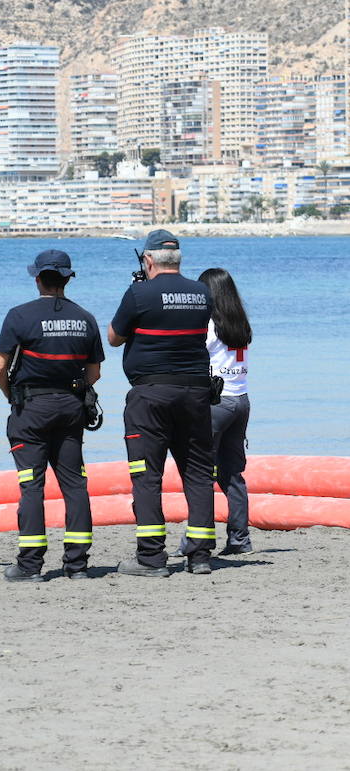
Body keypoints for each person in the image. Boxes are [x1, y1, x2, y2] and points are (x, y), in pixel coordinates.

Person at [0, 250, 104, 582]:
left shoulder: (19, 316)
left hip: (30, 410)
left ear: (37, 278)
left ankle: (29, 566)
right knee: (75, 484)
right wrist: (72, 388)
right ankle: (77, 565)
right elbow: (94, 372)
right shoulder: (85, 318)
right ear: (67, 279)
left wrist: (11, 394)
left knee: (31, 487)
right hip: (71, 409)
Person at [108, 229, 215, 577]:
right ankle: (199, 555)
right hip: (196, 394)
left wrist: (141, 288)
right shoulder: (202, 293)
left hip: (150, 395)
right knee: (198, 473)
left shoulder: (139, 293)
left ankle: (152, 558)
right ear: (179, 259)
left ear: (149, 260)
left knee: (146, 476)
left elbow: (113, 337)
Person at [196, 267, 253, 555]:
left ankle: (200, 539)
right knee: (233, 474)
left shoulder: (208, 325)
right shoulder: (240, 323)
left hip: (217, 403)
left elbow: (194, 354)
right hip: (241, 399)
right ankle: (240, 539)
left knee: (201, 472)